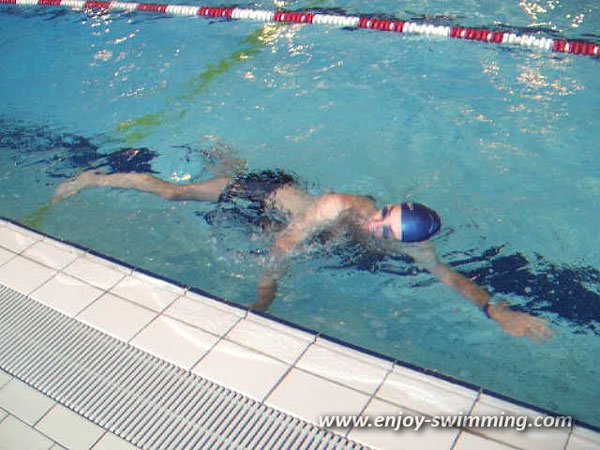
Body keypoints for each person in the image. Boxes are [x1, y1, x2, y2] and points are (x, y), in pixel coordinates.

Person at [53, 167, 554, 343]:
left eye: (387, 229)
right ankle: (95, 178)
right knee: (173, 194)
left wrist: (495, 309)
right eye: (386, 213)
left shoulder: (418, 245)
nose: (376, 222)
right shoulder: (342, 207)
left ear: (406, 242)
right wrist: (264, 295)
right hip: (261, 195)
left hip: (291, 213)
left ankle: (223, 158)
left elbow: (447, 276)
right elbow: (282, 245)